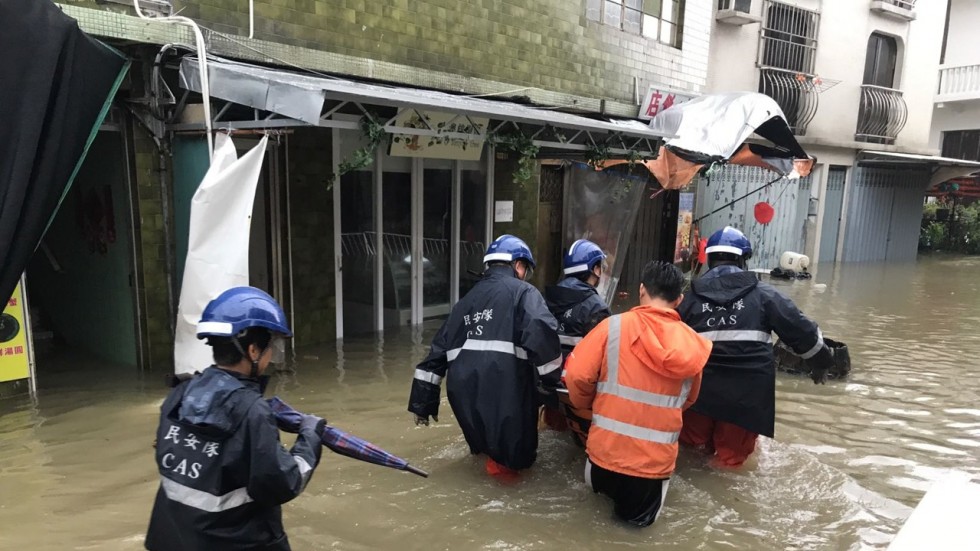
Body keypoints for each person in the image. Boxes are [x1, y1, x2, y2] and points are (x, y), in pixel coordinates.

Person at [145, 287, 324, 551]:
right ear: (253, 351)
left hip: (170, 539)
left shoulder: (180, 394)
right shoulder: (253, 412)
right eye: (269, 347)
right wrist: (310, 436)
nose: (271, 355)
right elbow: (283, 483)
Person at [564, 261, 712, 527]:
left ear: (641, 290)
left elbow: (576, 376)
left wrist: (588, 408)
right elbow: (688, 400)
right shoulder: (694, 345)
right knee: (631, 536)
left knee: (588, 526)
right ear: (679, 299)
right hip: (651, 470)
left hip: (603, 456)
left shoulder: (612, 327)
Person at [676, 226, 835, 468]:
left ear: (709, 259)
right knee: (730, 462)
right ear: (743, 260)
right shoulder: (765, 295)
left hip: (697, 395)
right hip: (747, 398)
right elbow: (801, 330)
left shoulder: (687, 299)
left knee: (690, 454)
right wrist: (821, 362)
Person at [408, 234, 562, 475]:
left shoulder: (464, 302)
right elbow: (542, 334)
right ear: (518, 265)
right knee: (514, 462)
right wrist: (551, 384)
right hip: (507, 390)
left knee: (482, 450)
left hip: (464, 393)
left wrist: (422, 404)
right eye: (526, 270)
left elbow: (436, 353)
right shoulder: (524, 293)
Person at [543, 239, 612, 443]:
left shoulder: (545, 298)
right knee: (583, 444)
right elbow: (605, 357)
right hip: (579, 389)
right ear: (595, 269)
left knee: (553, 435)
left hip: (548, 384)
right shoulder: (597, 307)